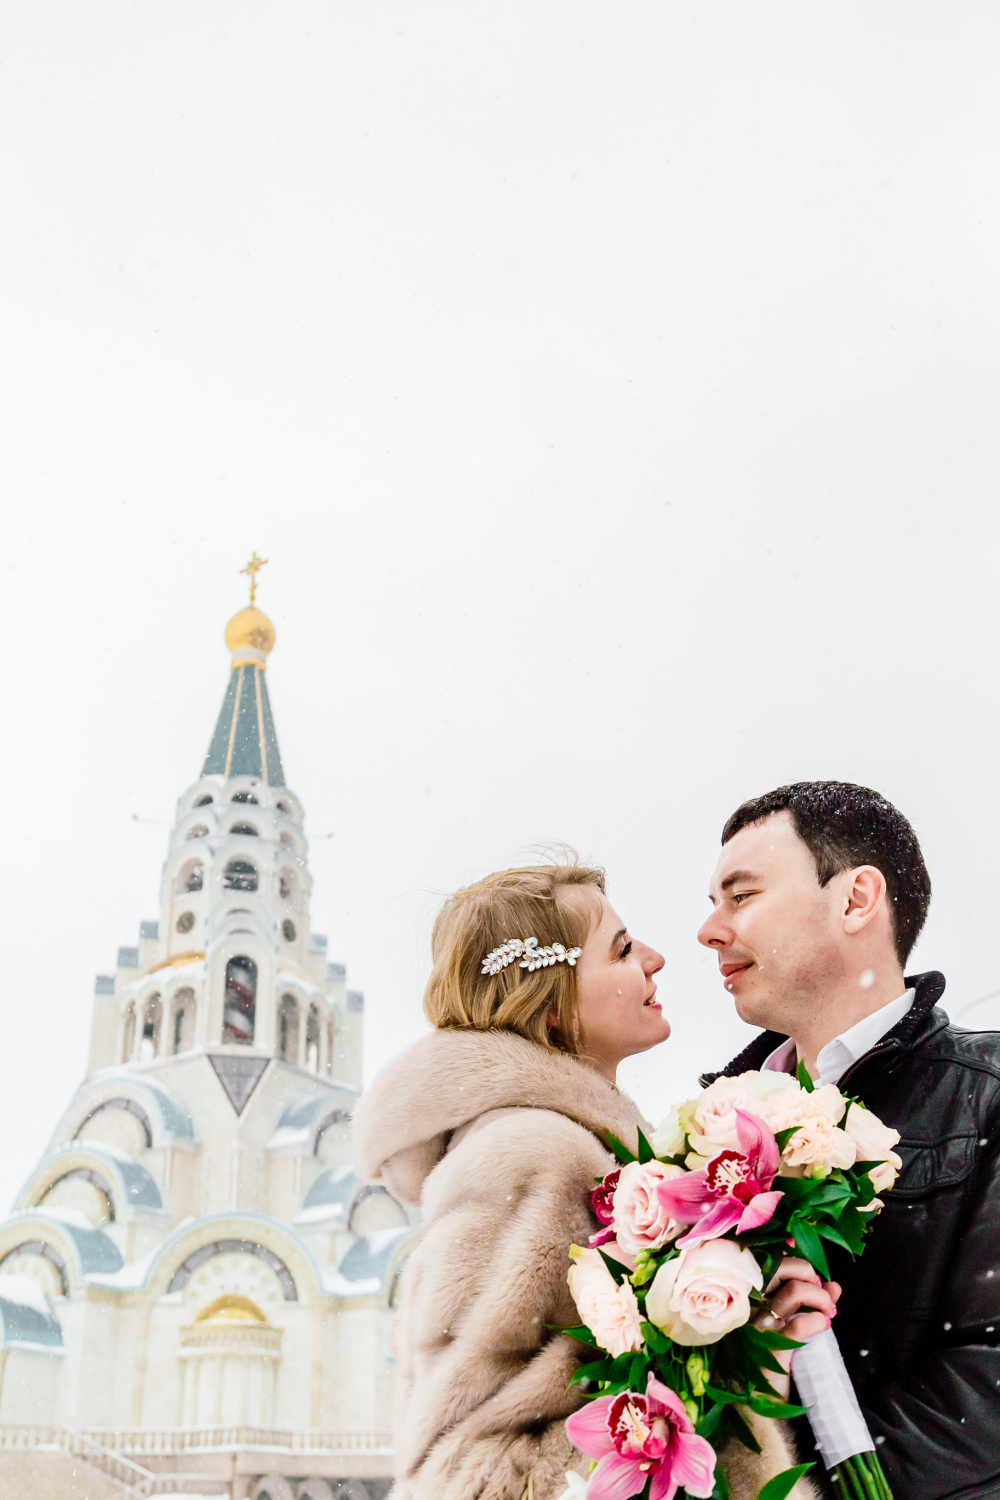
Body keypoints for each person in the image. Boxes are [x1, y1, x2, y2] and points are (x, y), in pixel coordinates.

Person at [354, 858, 835, 1500]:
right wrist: (670, 1419)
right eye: (623, 950)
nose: (655, 959)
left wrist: (748, 1346)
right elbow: (464, 1476)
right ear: (551, 1004)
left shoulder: (589, 1146)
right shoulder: (529, 1155)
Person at [697, 781, 1000, 1499]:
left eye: (741, 896)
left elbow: (988, 1385)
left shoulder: (986, 1096)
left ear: (857, 899)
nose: (709, 930)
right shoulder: (706, 1135)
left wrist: (809, 1487)